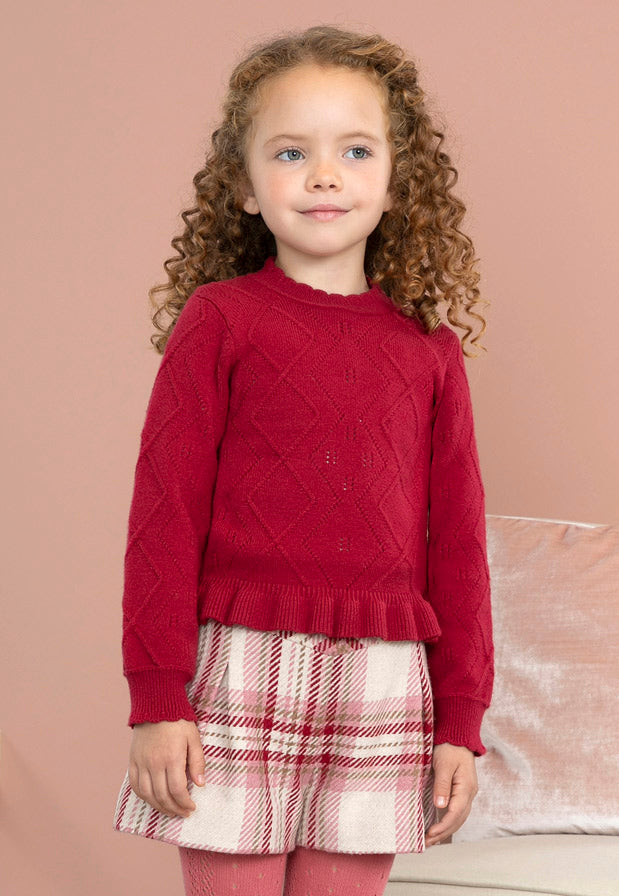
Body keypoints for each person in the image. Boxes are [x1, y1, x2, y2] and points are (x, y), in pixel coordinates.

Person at [112, 23, 494, 896]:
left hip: (383, 678)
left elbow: (459, 548)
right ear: (245, 188)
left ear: (398, 181)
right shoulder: (220, 320)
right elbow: (163, 517)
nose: (325, 175)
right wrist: (158, 697)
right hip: (237, 669)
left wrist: (460, 723)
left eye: (355, 150)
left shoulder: (430, 351)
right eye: (291, 152)